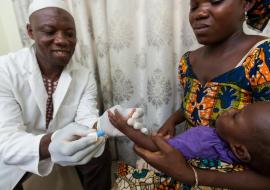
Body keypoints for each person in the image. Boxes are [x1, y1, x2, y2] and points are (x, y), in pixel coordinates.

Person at [111, 0, 270, 189]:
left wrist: (191, 175)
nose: (199, 14)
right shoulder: (188, 61)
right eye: (194, 6)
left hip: (233, 179)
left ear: (246, 4)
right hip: (185, 160)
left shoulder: (263, 57)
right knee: (125, 182)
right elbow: (193, 101)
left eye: (215, 1)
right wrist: (172, 120)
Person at [0, 0, 135, 190]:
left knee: (99, 153)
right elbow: (7, 142)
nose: (62, 40)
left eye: (70, 33)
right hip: (16, 154)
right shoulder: (5, 70)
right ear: (31, 31)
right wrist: (52, 141)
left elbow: (86, 120)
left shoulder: (83, 75)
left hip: (65, 145)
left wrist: (104, 124)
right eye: (49, 31)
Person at [109, 102, 270, 176]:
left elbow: (154, 147)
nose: (231, 109)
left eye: (236, 116)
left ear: (240, 150)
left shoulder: (204, 142)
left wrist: (125, 128)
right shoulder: (247, 165)